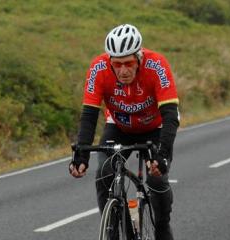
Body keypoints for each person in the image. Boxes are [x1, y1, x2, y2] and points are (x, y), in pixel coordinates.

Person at [69, 23, 179, 240]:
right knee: (104, 173)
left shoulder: (157, 65)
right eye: (117, 65)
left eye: (128, 63)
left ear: (139, 57)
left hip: (155, 127)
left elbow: (170, 116)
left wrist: (163, 154)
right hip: (119, 126)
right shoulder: (98, 68)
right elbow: (90, 114)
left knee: (157, 180)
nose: (123, 70)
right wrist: (81, 153)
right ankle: (114, 232)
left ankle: (163, 226)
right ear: (109, 61)